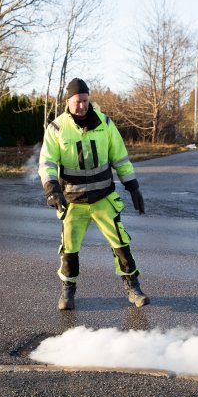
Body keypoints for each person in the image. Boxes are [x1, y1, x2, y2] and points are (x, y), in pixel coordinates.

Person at [38, 78, 149, 311]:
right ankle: (68, 292)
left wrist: (133, 186)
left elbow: (120, 158)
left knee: (121, 244)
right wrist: (51, 189)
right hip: (73, 202)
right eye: (78, 101)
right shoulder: (57, 128)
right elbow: (46, 163)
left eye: (86, 101)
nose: (82, 106)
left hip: (103, 198)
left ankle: (133, 288)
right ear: (67, 101)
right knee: (69, 249)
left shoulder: (105, 124)